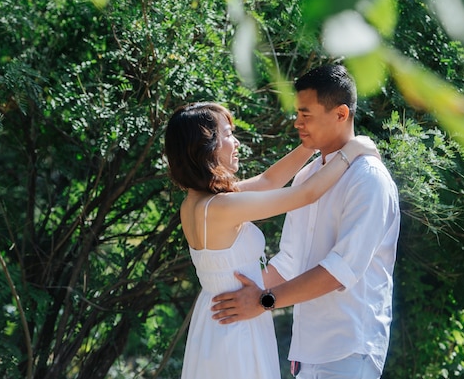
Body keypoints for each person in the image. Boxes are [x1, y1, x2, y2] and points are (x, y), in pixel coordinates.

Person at [164, 101, 380, 379]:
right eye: (229, 134)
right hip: (237, 323)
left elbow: (268, 181)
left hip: (220, 318)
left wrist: (311, 144)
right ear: (205, 146)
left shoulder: (197, 203)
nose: (236, 142)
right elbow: (305, 194)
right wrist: (350, 152)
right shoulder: (220, 208)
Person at [211, 65, 401, 379]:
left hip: (349, 350)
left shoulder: (369, 179)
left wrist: (263, 301)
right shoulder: (309, 176)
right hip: (305, 351)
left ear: (341, 114)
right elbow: (289, 261)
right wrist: (231, 294)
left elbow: (341, 270)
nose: (297, 123)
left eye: (306, 115)